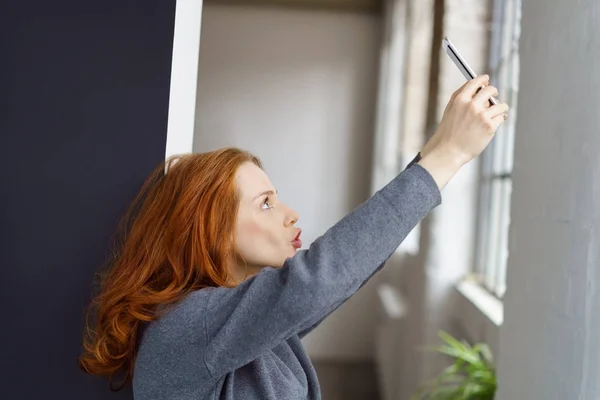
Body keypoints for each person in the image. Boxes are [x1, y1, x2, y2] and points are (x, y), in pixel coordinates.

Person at [79, 74, 508, 399]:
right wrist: (448, 155)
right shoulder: (184, 325)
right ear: (209, 227)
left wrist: (439, 152)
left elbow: (346, 274)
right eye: (265, 203)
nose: (290, 214)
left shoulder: (240, 320)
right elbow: (320, 280)